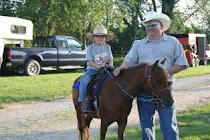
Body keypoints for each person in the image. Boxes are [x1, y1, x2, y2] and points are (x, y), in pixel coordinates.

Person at [114, 11, 189, 140]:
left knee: (168, 124)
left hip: (164, 89)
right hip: (144, 90)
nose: (150, 28)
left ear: (161, 26)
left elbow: (183, 64)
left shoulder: (173, 42)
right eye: (147, 26)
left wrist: (162, 73)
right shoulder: (138, 44)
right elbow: (129, 60)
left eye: (153, 24)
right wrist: (121, 67)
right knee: (146, 126)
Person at [78, 25, 114, 104]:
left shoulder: (108, 47)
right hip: (93, 69)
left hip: (106, 69)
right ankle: (82, 99)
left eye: (102, 36)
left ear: (105, 38)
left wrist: (110, 65)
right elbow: (90, 61)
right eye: (98, 36)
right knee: (85, 79)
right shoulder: (91, 47)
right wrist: (99, 67)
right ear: (94, 37)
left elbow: (110, 59)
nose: (100, 38)